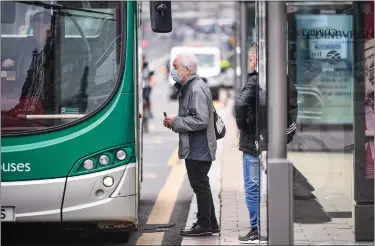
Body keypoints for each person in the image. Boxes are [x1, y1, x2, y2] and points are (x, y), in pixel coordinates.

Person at [163, 53, 219, 236]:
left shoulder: (195, 89)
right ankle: (211, 222)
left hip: (199, 147)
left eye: (176, 66)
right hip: (197, 146)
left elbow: (201, 119)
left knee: (199, 185)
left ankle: (203, 225)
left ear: (188, 69)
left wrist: (177, 122)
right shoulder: (190, 87)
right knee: (203, 184)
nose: (173, 71)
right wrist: (175, 123)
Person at [234, 42, 263, 243]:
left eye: (251, 57)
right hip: (268, 140)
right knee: (261, 185)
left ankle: (256, 228)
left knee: (252, 186)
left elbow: (241, 104)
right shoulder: (277, 78)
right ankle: (262, 224)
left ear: (254, 58)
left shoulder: (255, 81)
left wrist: (242, 125)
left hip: (253, 141)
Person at [3, 11, 55, 116]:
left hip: (49, 100)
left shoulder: (59, 49)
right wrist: (6, 64)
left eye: (43, 28)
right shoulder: (23, 44)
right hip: (23, 95)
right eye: (36, 28)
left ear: (51, 30)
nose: (38, 31)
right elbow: (10, 61)